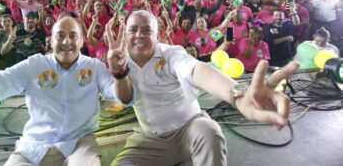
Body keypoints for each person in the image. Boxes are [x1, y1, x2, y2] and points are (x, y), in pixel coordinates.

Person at [0, 8, 133, 166]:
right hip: (34, 147)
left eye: (73, 36)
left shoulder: (95, 67)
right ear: (50, 40)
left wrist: (118, 70)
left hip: (79, 144)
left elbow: (122, 97)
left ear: (82, 41)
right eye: (60, 36)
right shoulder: (34, 66)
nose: (66, 42)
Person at [107, 10, 297, 166]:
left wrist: (238, 95)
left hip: (191, 121)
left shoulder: (181, 49)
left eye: (147, 30)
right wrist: (118, 71)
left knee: (209, 130)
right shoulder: (123, 60)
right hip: (151, 138)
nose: (139, 34)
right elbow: (125, 98)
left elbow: (199, 69)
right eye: (133, 29)